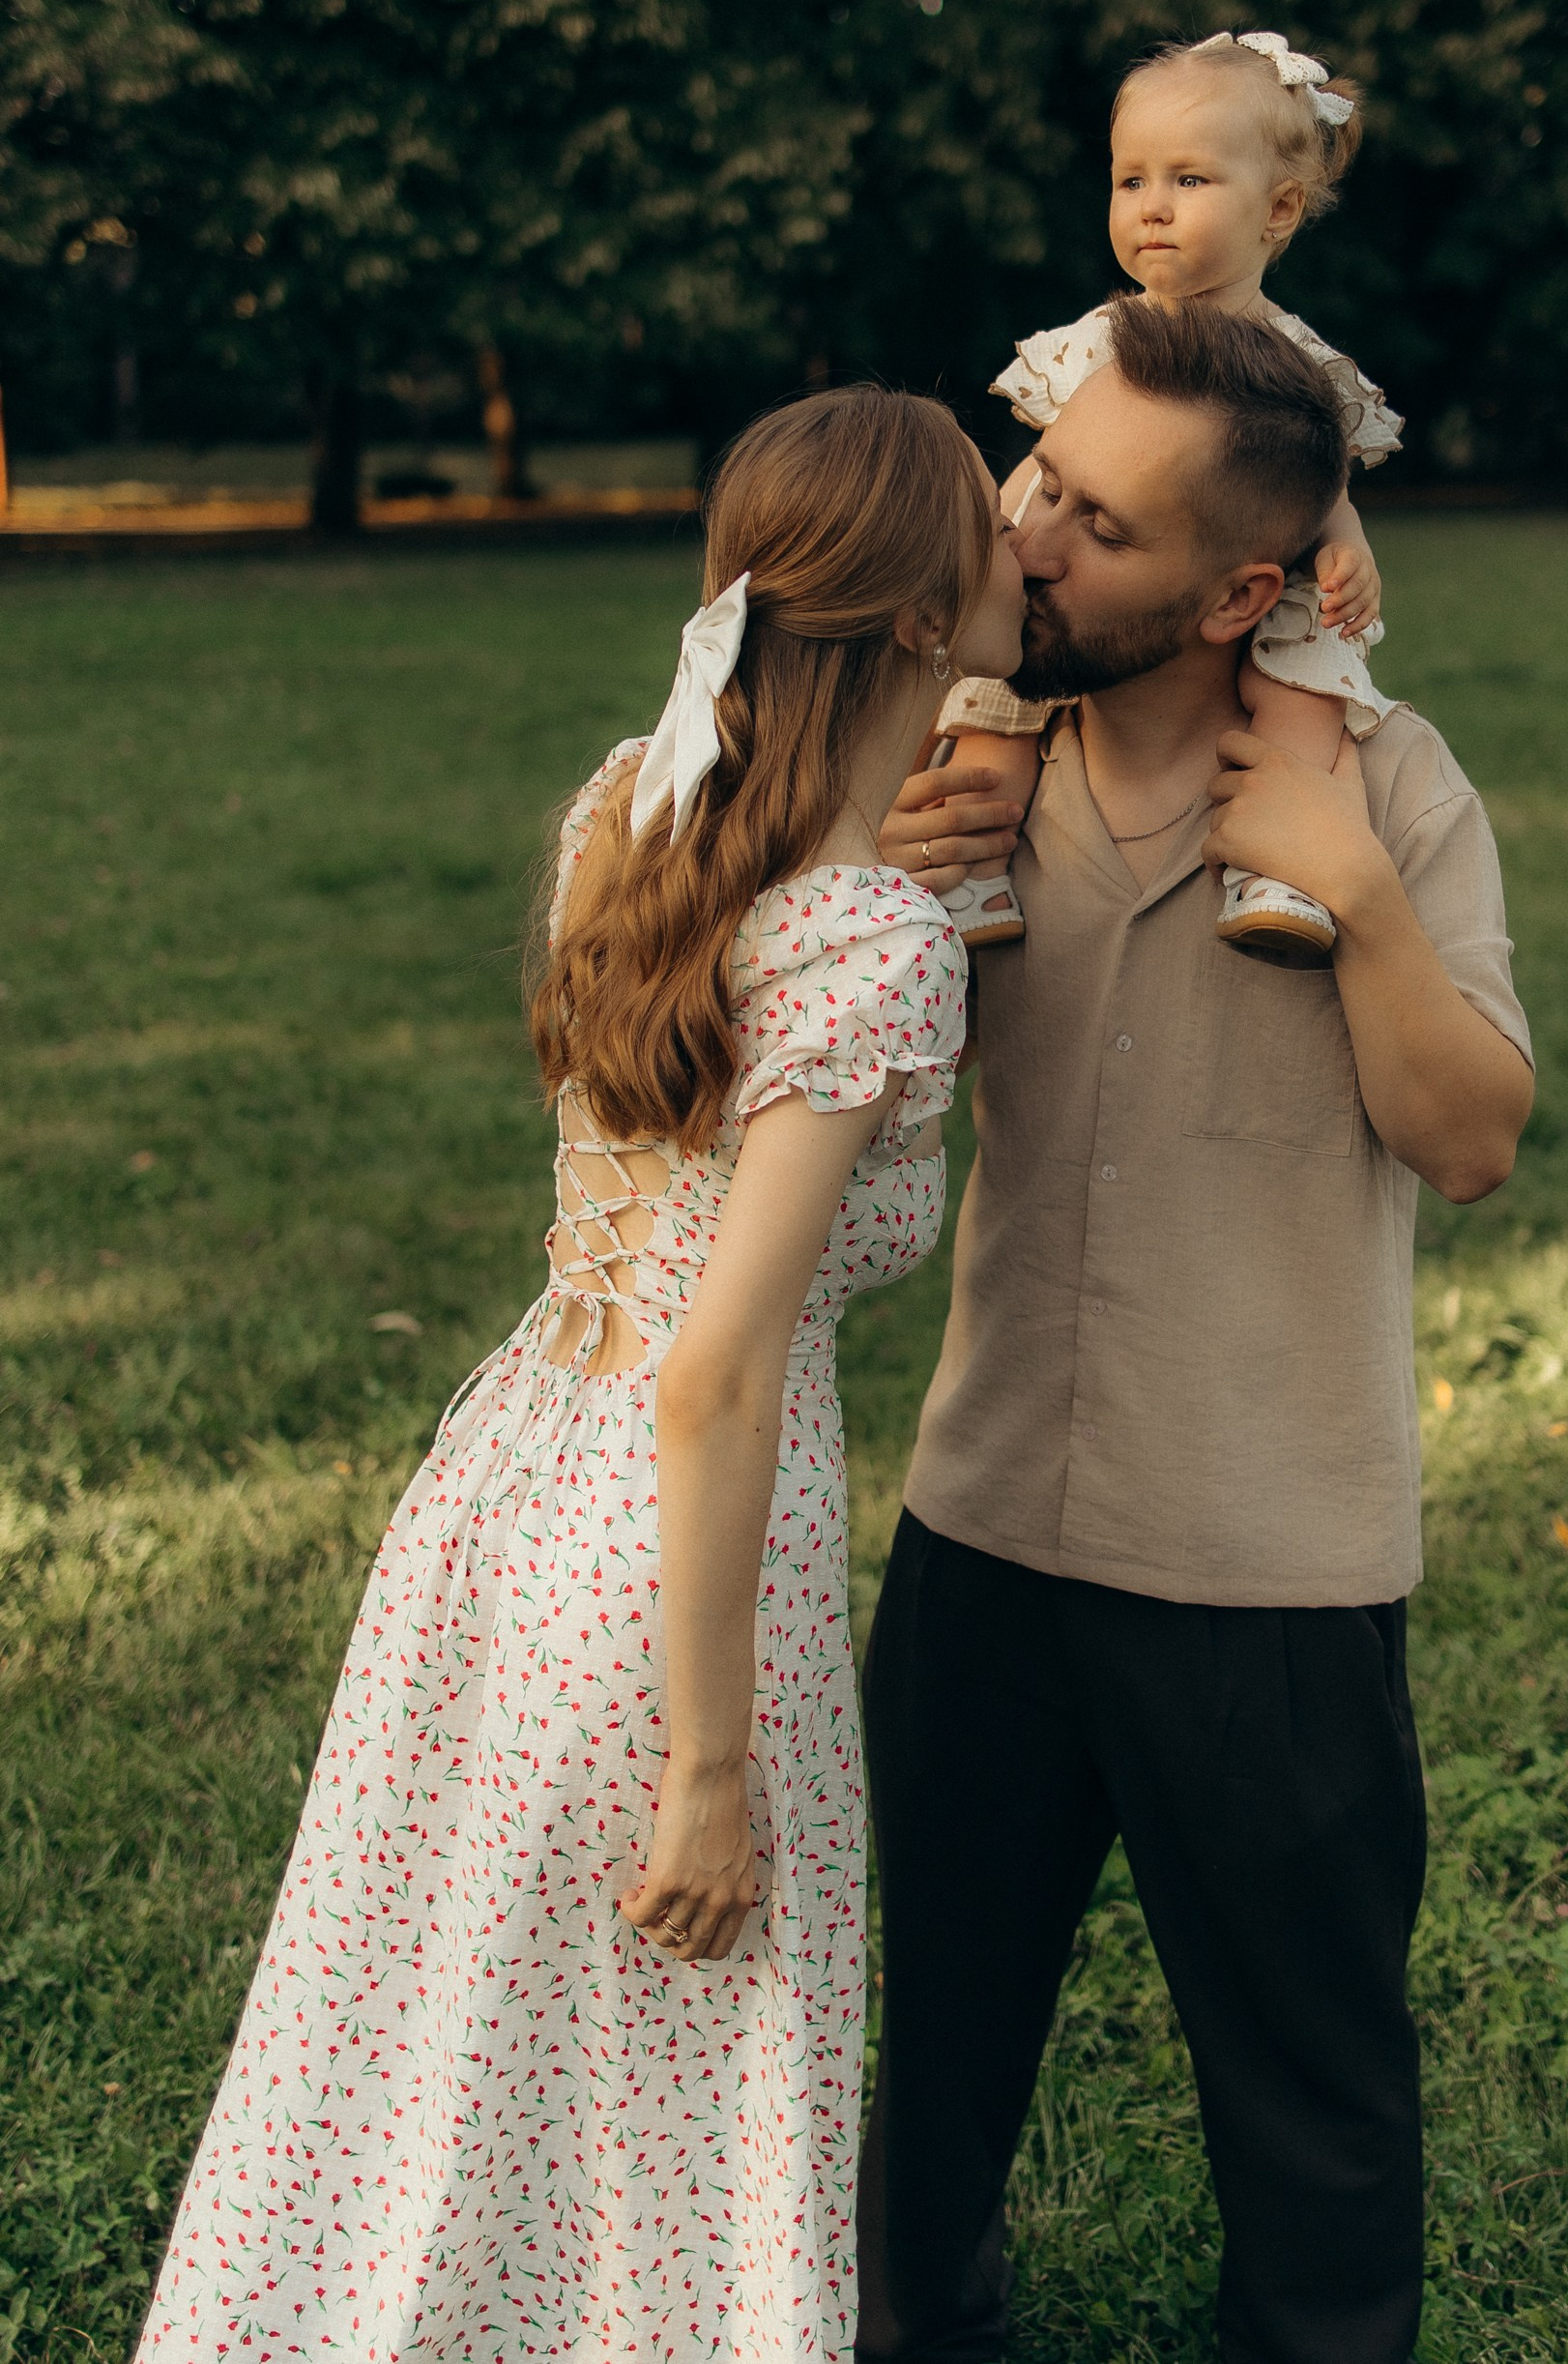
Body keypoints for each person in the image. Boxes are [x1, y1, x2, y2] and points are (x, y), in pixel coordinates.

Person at [135, 387, 1024, 2364]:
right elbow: (719, 1373)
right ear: (910, 622)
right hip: (676, 1543)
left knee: (449, 2004)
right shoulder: (874, 940)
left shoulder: (632, 801)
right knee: (676, 2037)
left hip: (511, 1474)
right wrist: (710, 1766)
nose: (1026, 538)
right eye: (993, 515)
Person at [861, 298, 1535, 2364]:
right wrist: (878, 884)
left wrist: (1358, 900)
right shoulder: (960, 769)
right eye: (1044, 482)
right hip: (980, 1531)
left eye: (1103, 527)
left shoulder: (1390, 788)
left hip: (1263, 1561)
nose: (1037, 539)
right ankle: (909, 2324)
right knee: (932, 2034)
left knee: (1306, 2075)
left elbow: (1473, 1136)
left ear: (1248, 589)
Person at [937, 27, 1403, 963]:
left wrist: (1346, 540)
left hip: (1265, 563)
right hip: (1082, 553)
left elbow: (1318, 479)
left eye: (1188, 181)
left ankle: (1279, 862)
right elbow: (1047, 470)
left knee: (1305, 676)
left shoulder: (1298, 362)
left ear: (1277, 209)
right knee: (997, 687)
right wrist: (988, 533)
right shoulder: (1096, 342)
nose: (1151, 207)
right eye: (1130, 180)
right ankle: (972, 868)